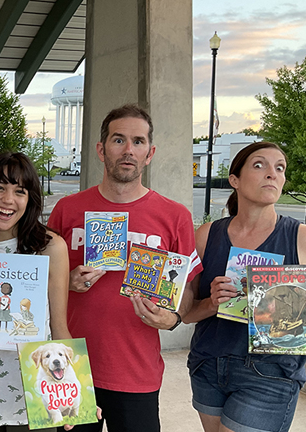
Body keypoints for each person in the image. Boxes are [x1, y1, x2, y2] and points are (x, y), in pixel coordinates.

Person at [47, 104, 202, 432]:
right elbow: (39, 280)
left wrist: (173, 317)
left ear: (150, 152)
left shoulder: (174, 217)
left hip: (136, 374)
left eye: (138, 141)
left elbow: (188, 288)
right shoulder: (67, 210)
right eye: (118, 140)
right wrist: (65, 282)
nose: (128, 150)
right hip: (69, 366)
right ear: (101, 150)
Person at [182, 141, 306, 432]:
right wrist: (211, 303)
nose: (272, 173)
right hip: (208, 365)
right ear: (235, 180)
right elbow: (186, 313)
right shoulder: (207, 235)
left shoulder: (305, 238)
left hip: (270, 374)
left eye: (279, 168)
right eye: (260, 165)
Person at [0, 151, 73, 431]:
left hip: (37, 389)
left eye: (19, 191)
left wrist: (74, 389)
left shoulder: (51, 248)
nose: (8, 200)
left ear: (29, 200)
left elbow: (59, 326)